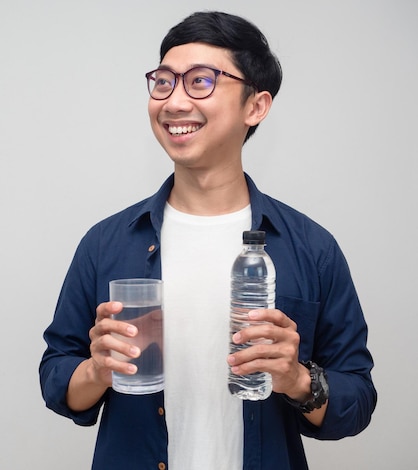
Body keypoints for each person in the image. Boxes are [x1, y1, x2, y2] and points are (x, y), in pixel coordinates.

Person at [39, 10, 376, 470]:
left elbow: (356, 401)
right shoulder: (106, 243)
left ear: (255, 106)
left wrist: (297, 379)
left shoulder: (311, 248)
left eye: (201, 81)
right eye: (163, 82)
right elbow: (58, 380)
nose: (174, 102)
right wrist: (96, 370)